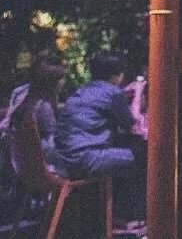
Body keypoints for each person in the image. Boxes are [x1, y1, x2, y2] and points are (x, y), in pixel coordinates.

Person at [52, 50, 146, 225]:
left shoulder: (81, 91)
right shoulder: (113, 93)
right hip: (86, 160)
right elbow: (132, 126)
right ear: (117, 75)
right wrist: (138, 93)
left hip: (64, 160)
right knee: (145, 155)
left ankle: (112, 215)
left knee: (124, 152)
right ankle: (133, 216)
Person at [0, 52, 66, 154]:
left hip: (17, 154)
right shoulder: (43, 107)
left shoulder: (25, 96)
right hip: (35, 157)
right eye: (61, 78)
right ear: (52, 81)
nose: (64, 82)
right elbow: (52, 143)